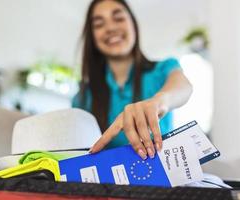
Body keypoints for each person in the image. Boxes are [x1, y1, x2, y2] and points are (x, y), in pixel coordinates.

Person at [72, 0, 193, 160]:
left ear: (133, 25)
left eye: (119, 18)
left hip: (164, 181)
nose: (110, 28)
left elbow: (183, 86)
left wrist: (159, 101)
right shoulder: (82, 98)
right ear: (92, 37)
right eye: (99, 24)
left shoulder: (162, 69)